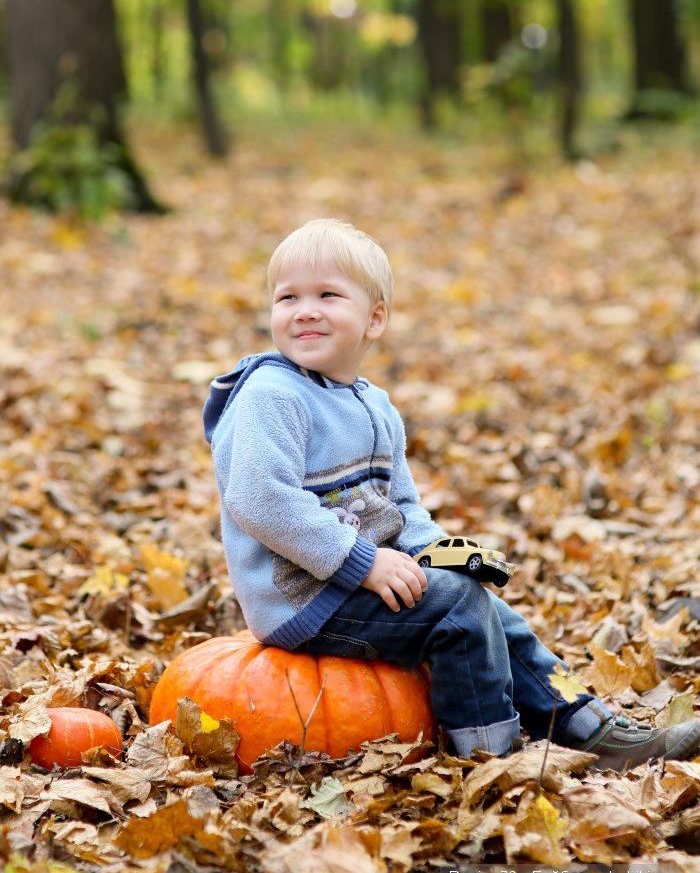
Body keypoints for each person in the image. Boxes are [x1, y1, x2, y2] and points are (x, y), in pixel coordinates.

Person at [203, 218, 700, 772]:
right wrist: (362, 562)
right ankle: (492, 755)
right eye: (287, 297)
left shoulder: (376, 406)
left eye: (327, 295)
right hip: (303, 600)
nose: (305, 310)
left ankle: (586, 725)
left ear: (375, 319)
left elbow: (401, 507)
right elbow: (260, 498)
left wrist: (440, 553)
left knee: (478, 598)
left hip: (359, 579)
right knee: (458, 609)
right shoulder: (270, 396)